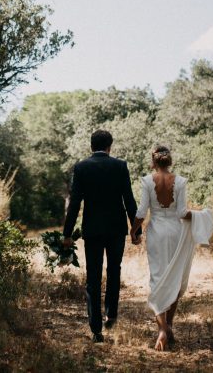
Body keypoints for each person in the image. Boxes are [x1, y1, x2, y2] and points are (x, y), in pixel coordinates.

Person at [130, 145, 213, 351]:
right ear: (170, 161)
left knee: (158, 278)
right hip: (177, 231)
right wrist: (202, 215)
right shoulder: (181, 181)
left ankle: (162, 329)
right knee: (174, 277)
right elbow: (183, 212)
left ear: (153, 161)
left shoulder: (148, 181)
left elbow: (141, 211)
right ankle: (170, 326)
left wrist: (133, 231)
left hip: (157, 232)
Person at [62, 129, 139, 343]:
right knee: (114, 270)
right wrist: (136, 230)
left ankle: (96, 328)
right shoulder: (120, 166)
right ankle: (111, 315)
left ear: (90, 146)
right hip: (116, 229)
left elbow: (75, 203)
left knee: (93, 277)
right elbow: (129, 200)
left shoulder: (81, 167)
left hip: (93, 230)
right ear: (109, 147)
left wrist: (67, 234)